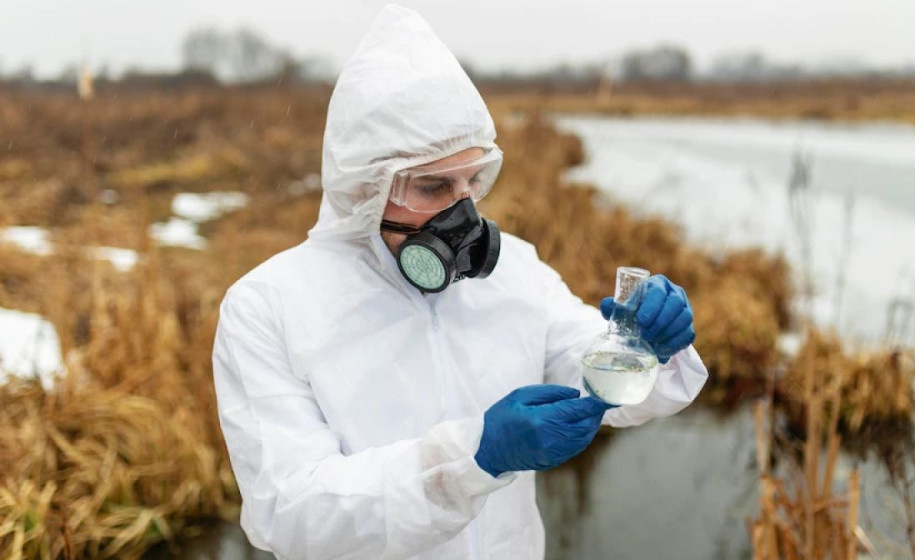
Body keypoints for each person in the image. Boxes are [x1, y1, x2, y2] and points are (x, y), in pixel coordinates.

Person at [212, 5, 708, 560]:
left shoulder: (513, 270)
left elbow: (603, 380)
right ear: (362, 188)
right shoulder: (269, 307)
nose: (462, 213)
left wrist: (647, 346)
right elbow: (290, 513)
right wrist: (472, 458)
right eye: (432, 187)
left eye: (472, 180)